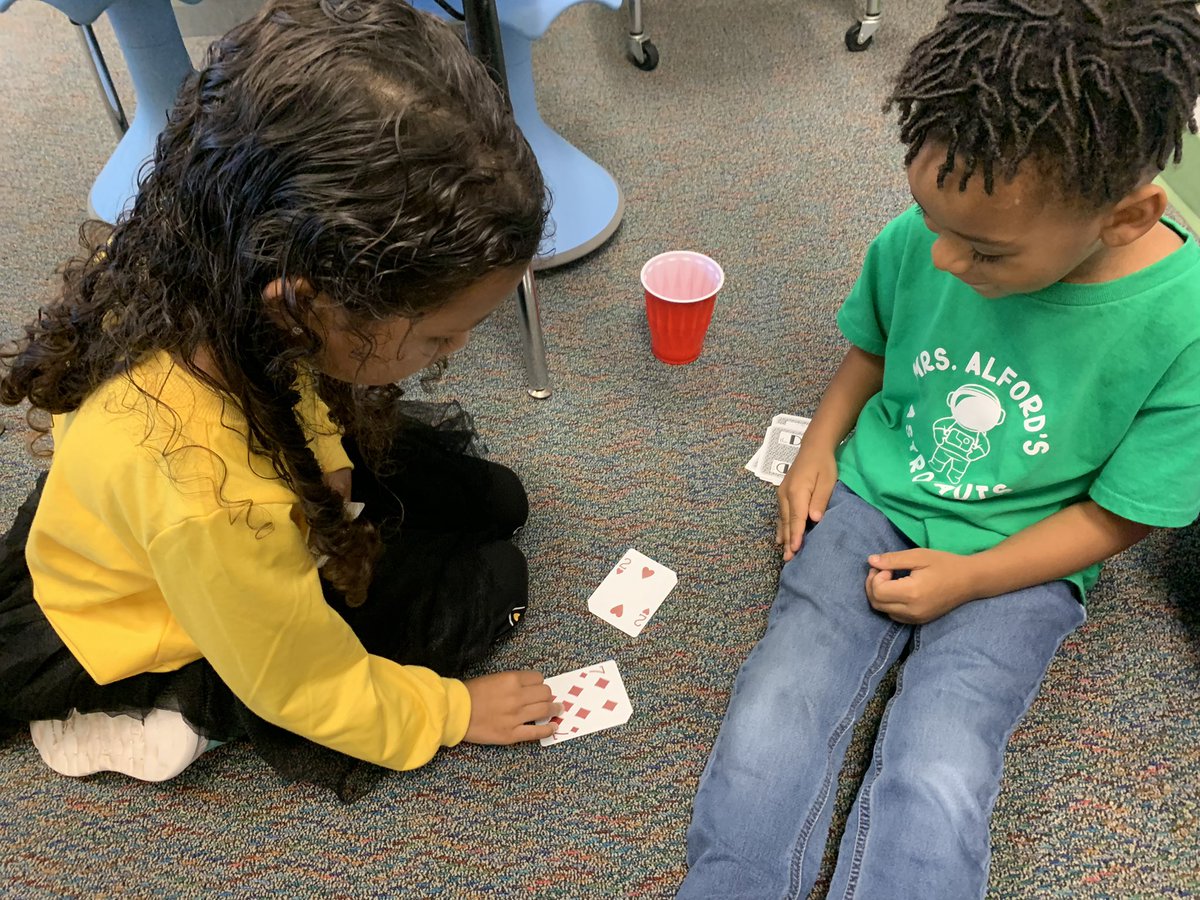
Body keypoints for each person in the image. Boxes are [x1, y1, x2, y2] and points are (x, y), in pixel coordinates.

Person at [679, 1, 1200, 896]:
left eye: (986, 251)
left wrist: (972, 577)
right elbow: (875, 347)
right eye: (931, 220)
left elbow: (1120, 517)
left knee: (943, 761)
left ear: (1125, 217)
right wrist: (820, 441)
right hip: (876, 492)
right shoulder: (928, 235)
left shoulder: (1182, 323)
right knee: (781, 697)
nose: (945, 260)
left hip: (1029, 549)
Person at [0, 0, 559, 802]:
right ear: (303, 303)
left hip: (179, 503)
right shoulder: (211, 506)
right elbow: (296, 682)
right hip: (154, 603)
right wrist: (450, 710)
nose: (458, 352)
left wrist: (327, 457)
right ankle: (158, 711)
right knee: (488, 583)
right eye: (439, 337)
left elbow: (295, 380)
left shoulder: (213, 279)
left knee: (492, 500)